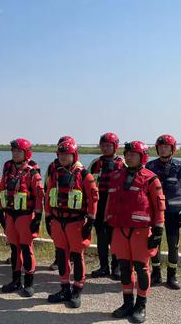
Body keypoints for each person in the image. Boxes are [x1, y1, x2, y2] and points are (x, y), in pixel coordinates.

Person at [105, 141, 165, 323]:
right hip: (120, 230)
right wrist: (106, 224)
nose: (128, 156)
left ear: (142, 156)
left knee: (141, 268)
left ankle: (141, 305)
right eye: (127, 153)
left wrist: (158, 230)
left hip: (141, 231)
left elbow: (159, 206)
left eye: (133, 154)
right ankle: (127, 303)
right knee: (124, 267)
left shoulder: (151, 179)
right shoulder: (116, 176)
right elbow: (109, 202)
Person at [45, 140, 98, 308]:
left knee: (76, 255)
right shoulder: (55, 173)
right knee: (61, 255)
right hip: (58, 221)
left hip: (76, 222)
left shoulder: (84, 175)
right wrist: (47, 217)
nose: (62, 157)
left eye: (66, 154)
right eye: (60, 154)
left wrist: (90, 220)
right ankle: (64, 288)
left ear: (73, 156)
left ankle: (77, 290)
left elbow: (93, 198)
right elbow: (47, 196)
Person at [0, 138, 44, 297]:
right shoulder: (8, 170)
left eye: (19, 151)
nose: (15, 154)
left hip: (25, 216)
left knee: (26, 248)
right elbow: (2, 189)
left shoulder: (32, 173)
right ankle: (16, 280)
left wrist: (37, 218)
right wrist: (0, 211)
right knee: (14, 248)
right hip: (11, 214)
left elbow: (39, 197)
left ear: (26, 153)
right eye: (13, 151)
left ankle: (29, 283)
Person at [146, 134, 181, 289]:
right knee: (154, 243)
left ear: (173, 149)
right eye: (161, 147)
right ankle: (156, 273)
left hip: (173, 213)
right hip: (155, 213)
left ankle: (172, 276)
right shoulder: (149, 167)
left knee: (173, 245)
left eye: (166, 147)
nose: (163, 149)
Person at [89, 132, 125, 279]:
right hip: (99, 203)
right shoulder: (95, 163)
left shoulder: (123, 163)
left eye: (108, 145)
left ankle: (116, 267)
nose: (105, 148)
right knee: (101, 237)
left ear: (115, 146)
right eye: (103, 145)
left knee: (114, 237)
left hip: (116, 204)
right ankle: (103, 267)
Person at [44, 135, 78, 271]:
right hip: (54, 205)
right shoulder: (52, 166)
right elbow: (47, 184)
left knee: (72, 238)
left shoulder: (78, 168)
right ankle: (59, 259)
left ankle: (73, 260)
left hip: (72, 209)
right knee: (56, 235)